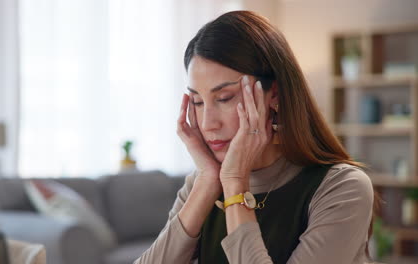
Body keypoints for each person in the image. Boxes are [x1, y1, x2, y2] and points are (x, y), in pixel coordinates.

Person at [135, 10, 376, 264]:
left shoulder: (343, 188)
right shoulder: (202, 183)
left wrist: (235, 184)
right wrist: (207, 182)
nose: (207, 123)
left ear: (275, 96)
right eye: (197, 101)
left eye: (225, 98)